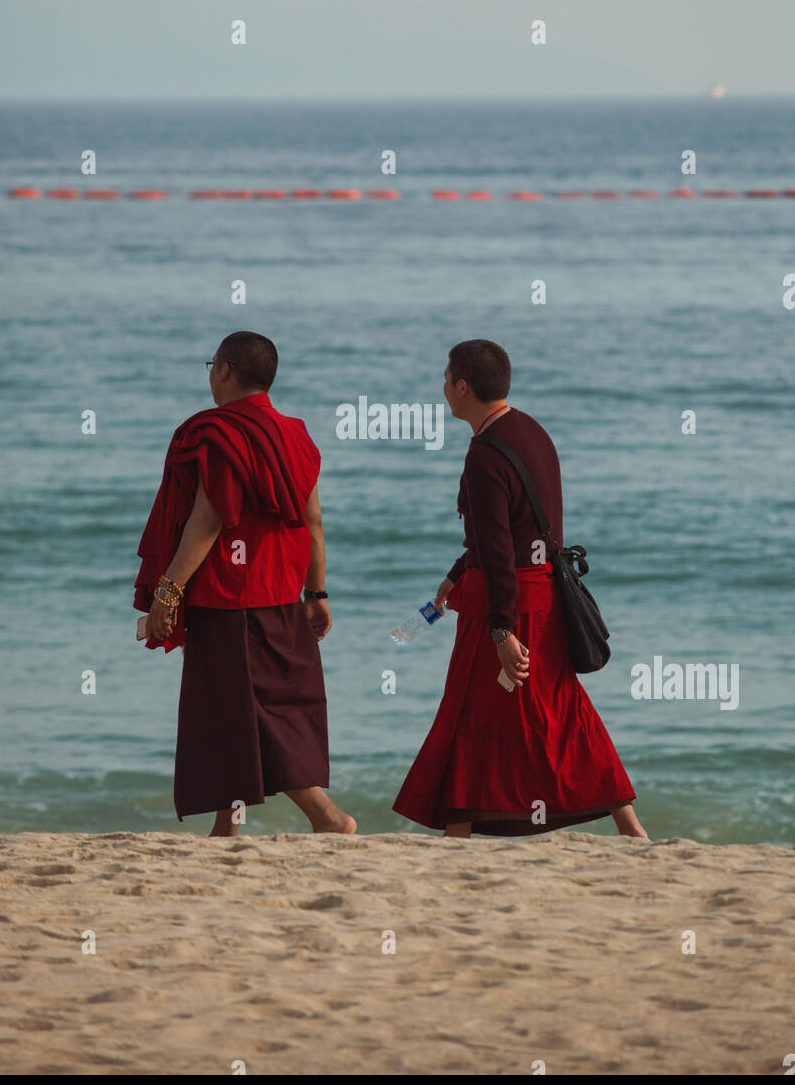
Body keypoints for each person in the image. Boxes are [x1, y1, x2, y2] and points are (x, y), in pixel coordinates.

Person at [392, 338, 647, 840]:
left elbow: (501, 548)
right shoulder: (531, 431)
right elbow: (520, 529)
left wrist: (502, 631)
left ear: (463, 387)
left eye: (446, 380)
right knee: (561, 709)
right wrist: (457, 571)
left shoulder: (484, 454)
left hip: (506, 604)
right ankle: (630, 827)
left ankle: (458, 829)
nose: (443, 390)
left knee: (468, 712)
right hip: (545, 596)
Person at [133, 330, 355, 838]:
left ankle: (329, 818)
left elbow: (207, 522)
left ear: (226, 371)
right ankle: (227, 826)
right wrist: (316, 595)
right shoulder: (296, 434)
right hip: (281, 594)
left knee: (250, 714)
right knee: (234, 710)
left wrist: (168, 592)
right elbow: (313, 522)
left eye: (213, 365)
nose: (211, 374)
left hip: (230, 597)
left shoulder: (218, 433)